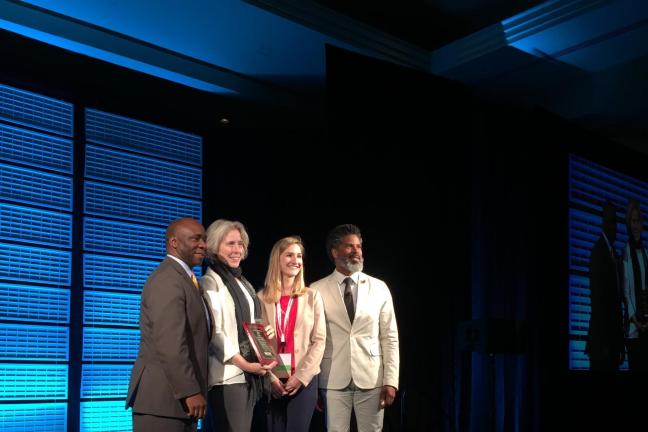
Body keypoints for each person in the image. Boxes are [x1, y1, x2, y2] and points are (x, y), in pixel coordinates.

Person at [311, 224, 399, 432]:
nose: (356, 251)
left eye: (359, 246)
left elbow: (390, 337)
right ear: (334, 252)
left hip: (372, 378)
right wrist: (312, 385)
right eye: (349, 246)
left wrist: (391, 380)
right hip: (332, 378)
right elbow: (311, 340)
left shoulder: (379, 287)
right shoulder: (316, 290)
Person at [126, 217, 210, 432]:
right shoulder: (167, 279)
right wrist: (189, 391)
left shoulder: (186, 279)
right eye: (195, 239)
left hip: (176, 404)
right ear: (174, 243)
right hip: (163, 402)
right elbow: (171, 342)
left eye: (204, 239)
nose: (203, 245)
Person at [200, 219, 276, 432]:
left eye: (240, 244)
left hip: (249, 376)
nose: (237, 249)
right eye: (230, 244)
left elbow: (250, 322)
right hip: (227, 377)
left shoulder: (243, 282)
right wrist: (244, 364)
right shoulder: (210, 282)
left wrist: (263, 332)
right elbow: (215, 332)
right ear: (214, 246)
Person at [258, 236, 326, 432]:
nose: (295, 261)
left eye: (299, 256)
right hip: (273, 378)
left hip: (304, 379)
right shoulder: (261, 298)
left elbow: (319, 341)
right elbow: (257, 342)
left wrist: (301, 376)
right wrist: (270, 378)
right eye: (289, 255)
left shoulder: (312, 296)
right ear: (276, 259)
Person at [586, 200, 625, 371]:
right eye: (610, 221)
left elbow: (616, 304)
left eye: (615, 221)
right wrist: (605, 344)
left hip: (612, 344)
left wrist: (619, 343)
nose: (614, 226)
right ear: (603, 222)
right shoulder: (598, 253)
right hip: (602, 344)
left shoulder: (613, 255)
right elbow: (597, 302)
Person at [623, 199, 648, 371]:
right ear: (629, 224)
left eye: (638, 220)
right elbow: (626, 292)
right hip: (633, 328)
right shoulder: (625, 253)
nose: (636, 225)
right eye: (633, 221)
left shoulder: (647, 253)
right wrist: (636, 321)